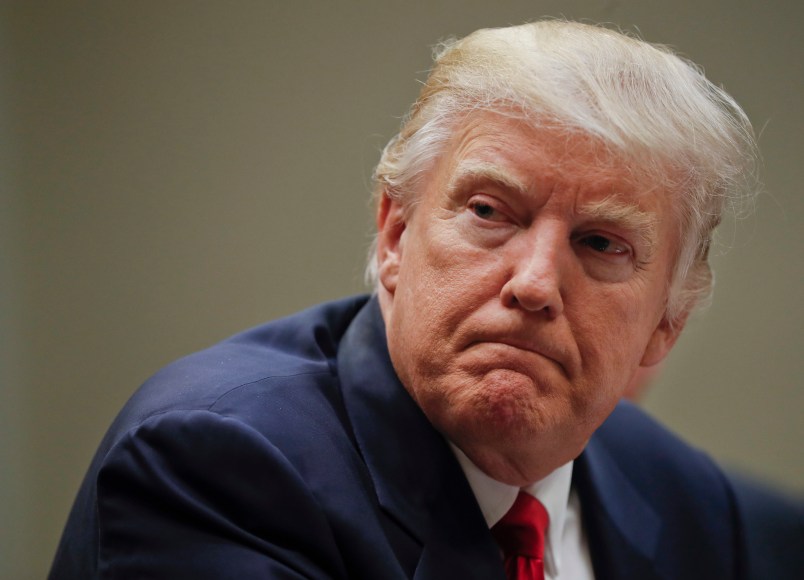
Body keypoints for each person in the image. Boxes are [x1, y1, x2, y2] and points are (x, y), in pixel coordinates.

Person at [50, 20, 765, 579]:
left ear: (665, 324)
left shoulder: (687, 500)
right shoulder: (214, 466)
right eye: (490, 212)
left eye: (602, 244)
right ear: (394, 234)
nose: (536, 283)